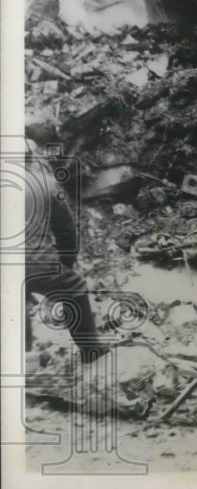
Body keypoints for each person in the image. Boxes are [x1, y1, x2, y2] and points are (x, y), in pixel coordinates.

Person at [24, 141, 106, 363]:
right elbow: (67, 231)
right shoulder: (48, 184)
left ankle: (22, 361)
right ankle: (91, 351)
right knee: (75, 289)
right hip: (38, 261)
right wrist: (67, 262)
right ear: (30, 157)